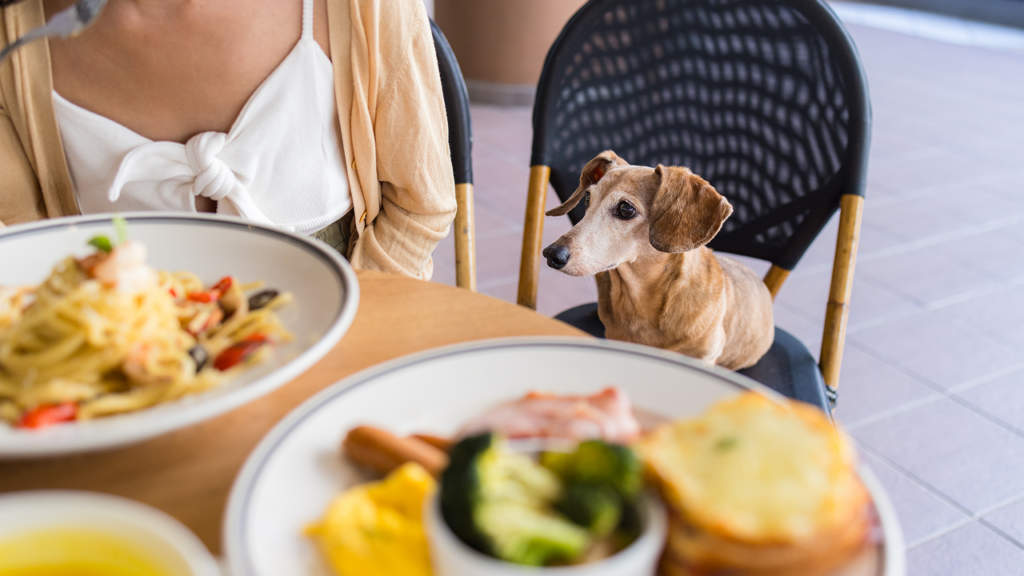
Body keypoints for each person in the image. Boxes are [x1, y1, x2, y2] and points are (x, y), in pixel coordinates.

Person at [0, 0, 457, 280]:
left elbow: (419, 207)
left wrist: (346, 340)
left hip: (345, 350)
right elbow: (24, 245)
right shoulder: (13, 34)